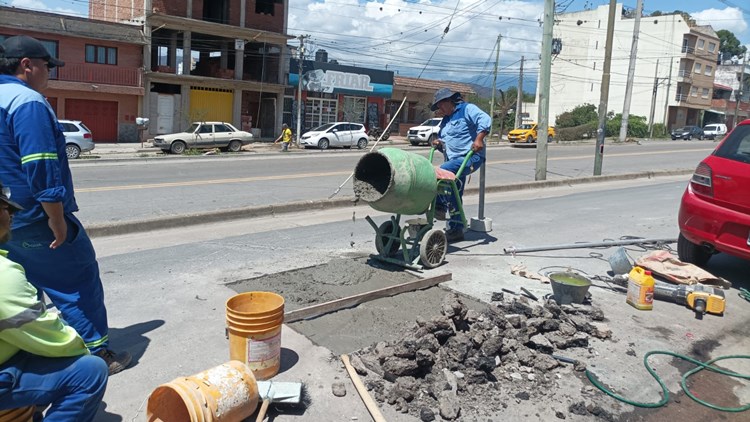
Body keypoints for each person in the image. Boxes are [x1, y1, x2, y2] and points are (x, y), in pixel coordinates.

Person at [0, 35, 131, 375]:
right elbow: (40, 162)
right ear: (27, 66)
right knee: (76, 279)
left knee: (19, 286)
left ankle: (29, 351)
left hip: (4, 220)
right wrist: (56, 217)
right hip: (30, 217)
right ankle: (96, 354)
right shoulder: (26, 101)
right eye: (47, 66)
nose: (49, 74)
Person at [0, 182, 109, 420]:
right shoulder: (3, 275)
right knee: (90, 372)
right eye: (6, 209)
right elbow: (50, 338)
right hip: (41, 218)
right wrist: (83, 349)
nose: (11, 214)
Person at [430, 88, 490, 242]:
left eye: (441, 105)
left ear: (449, 101)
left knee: (441, 172)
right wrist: (438, 142)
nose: (440, 109)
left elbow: (485, 119)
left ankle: (440, 206)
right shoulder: (446, 120)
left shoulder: (467, 109)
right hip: (454, 161)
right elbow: (446, 138)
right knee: (454, 192)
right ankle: (457, 229)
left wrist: (479, 139)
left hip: (471, 157)